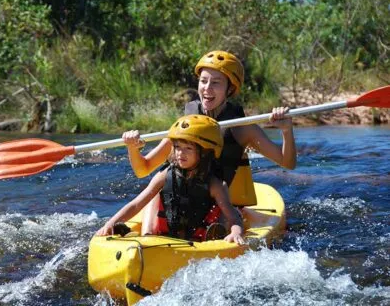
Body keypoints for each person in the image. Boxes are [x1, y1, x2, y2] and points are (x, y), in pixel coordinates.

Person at [122, 50, 297, 234]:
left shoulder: (243, 128)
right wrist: (133, 149)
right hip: (180, 204)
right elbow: (143, 168)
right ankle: (147, 239)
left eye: (216, 83)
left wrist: (286, 130)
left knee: (224, 214)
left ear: (229, 89)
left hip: (220, 205)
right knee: (156, 195)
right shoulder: (187, 123)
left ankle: (219, 239)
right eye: (203, 81)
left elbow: (288, 163)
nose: (207, 88)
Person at [96, 115, 245, 245]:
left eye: (188, 148)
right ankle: (148, 236)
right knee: (155, 195)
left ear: (205, 153)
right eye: (178, 147)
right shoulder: (165, 175)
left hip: (202, 233)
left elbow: (233, 219)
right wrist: (111, 223)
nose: (180, 153)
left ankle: (217, 235)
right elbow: (136, 204)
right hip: (172, 230)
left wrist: (236, 232)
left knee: (224, 214)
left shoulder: (215, 185)